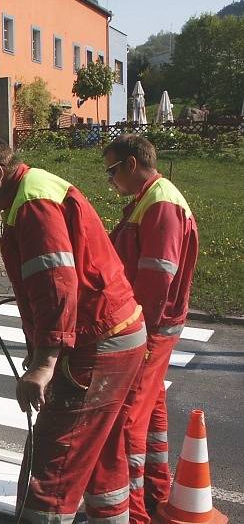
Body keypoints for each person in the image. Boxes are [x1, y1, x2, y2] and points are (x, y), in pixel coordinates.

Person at [0, 137, 147, 523]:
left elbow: (56, 283)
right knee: (101, 452)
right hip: (117, 332)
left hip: (99, 340)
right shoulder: (35, 191)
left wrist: (44, 363)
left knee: (54, 462)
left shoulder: (32, 203)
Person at [104, 135, 198, 523]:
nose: (109, 180)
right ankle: (160, 494)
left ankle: (134, 512)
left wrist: (137, 332)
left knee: (129, 418)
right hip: (153, 325)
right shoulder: (150, 199)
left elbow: (158, 275)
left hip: (149, 327)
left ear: (130, 164)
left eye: (111, 171)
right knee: (152, 407)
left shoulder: (160, 202)